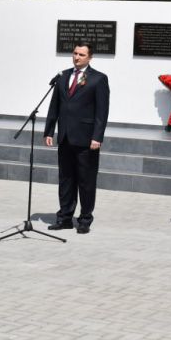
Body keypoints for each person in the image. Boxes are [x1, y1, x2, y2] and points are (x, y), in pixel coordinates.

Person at [44, 41, 111, 234]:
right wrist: (49, 131)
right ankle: (64, 218)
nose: (77, 57)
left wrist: (97, 137)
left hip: (86, 139)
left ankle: (84, 219)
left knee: (86, 181)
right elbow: (54, 105)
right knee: (66, 179)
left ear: (90, 57)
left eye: (81, 54)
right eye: (75, 53)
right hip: (65, 136)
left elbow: (102, 111)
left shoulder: (98, 79)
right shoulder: (63, 76)